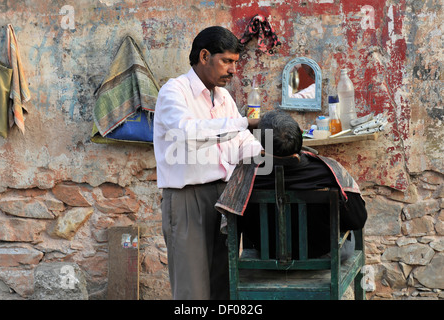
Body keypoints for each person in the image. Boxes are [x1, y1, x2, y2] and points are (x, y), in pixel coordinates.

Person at [153, 26, 262, 300]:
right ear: (204, 56)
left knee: (223, 287)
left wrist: (268, 155)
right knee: (193, 292)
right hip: (187, 200)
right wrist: (244, 122)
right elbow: (189, 133)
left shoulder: (223, 97)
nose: (232, 70)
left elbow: (240, 143)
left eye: (235, 63)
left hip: (224, 198)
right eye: (226, 61)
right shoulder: (174, 92)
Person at [216, 110, 367, 260]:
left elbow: (233, 223)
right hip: (323, 254)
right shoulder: (330, 171)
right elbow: (357, 220)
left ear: (262, 143)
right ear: (300, 133)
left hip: (269, 255)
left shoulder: (245, 174)